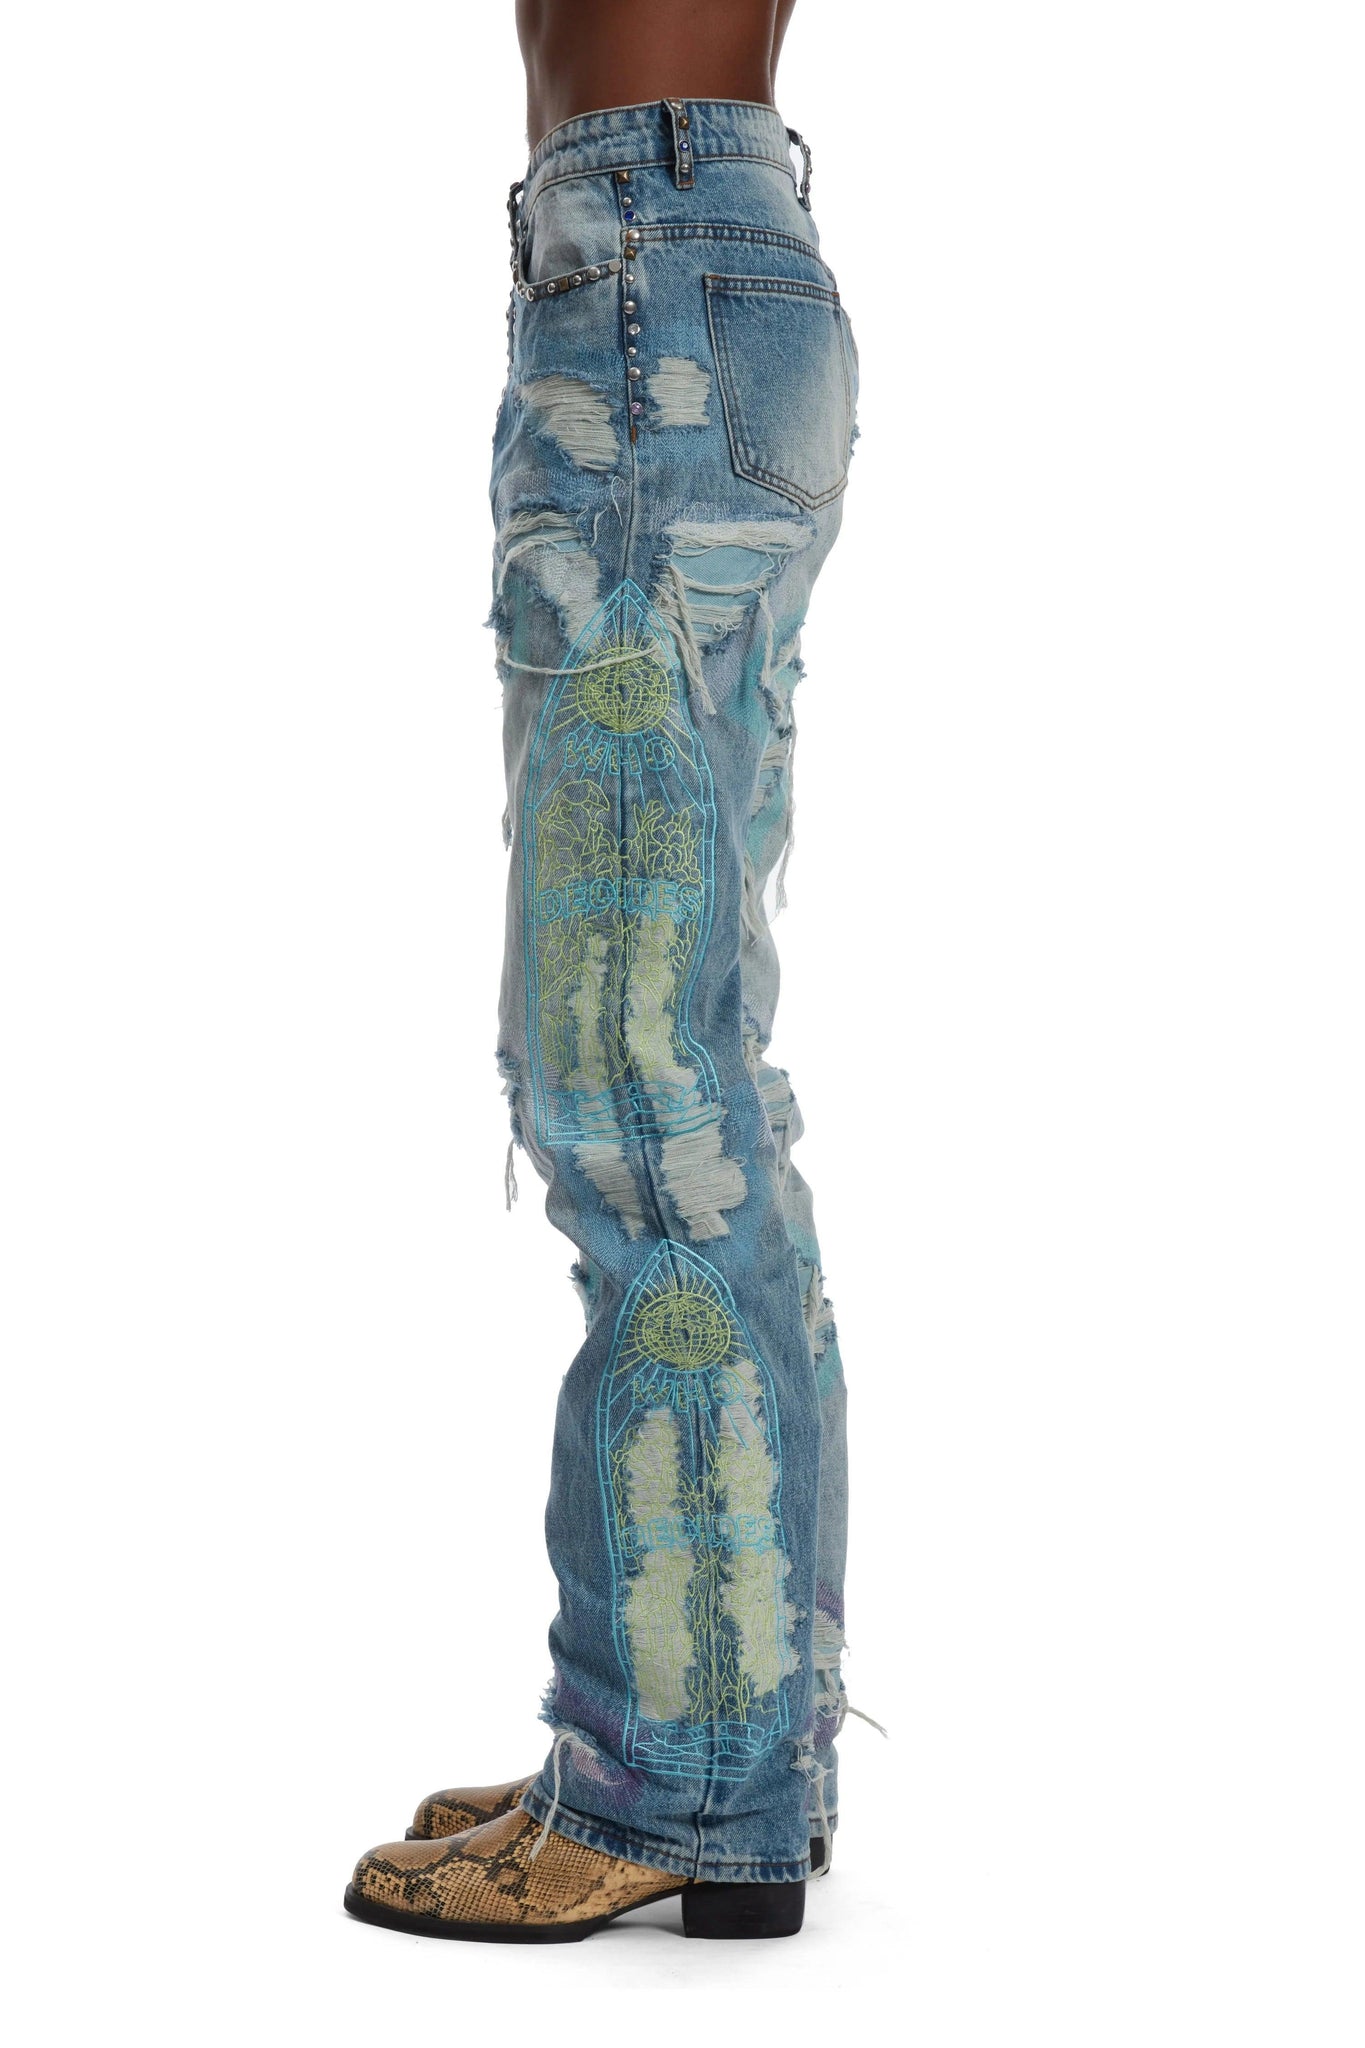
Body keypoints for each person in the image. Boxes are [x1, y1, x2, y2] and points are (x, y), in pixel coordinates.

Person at [344, 0, 859, 1943]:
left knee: (634, 1081)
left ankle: (680, 1776)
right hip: (683, 262)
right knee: (690, 1074)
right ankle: (735, 1748)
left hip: (646, 282)